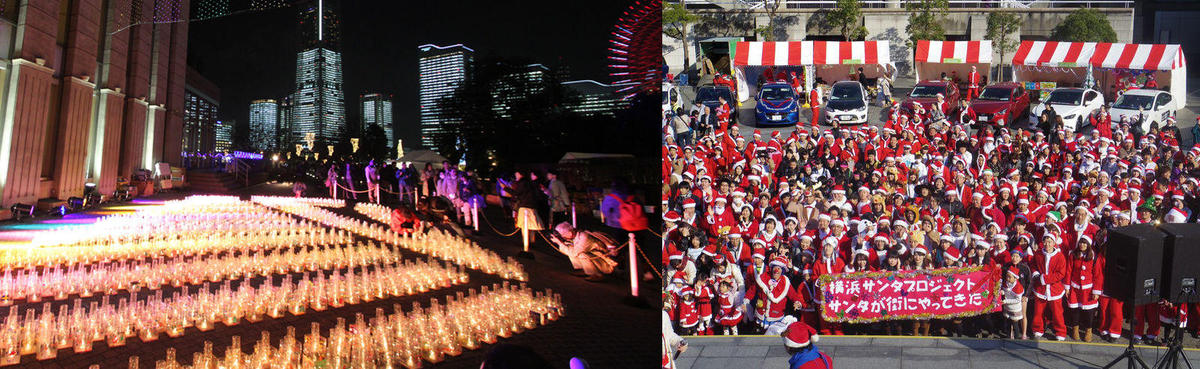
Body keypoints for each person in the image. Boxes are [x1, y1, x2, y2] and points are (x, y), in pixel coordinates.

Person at [548, 222, 617, 282]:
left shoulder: (584, 238)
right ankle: (584, 270)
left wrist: (559, 243)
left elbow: (574, 253)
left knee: (580, 254)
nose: (562, 237)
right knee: (569, 247)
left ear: (569, 233)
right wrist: (562, 243)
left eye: (563, 235)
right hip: (597, 258)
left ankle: (597, 275)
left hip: (607, 264)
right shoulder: (578, 235)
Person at [510, 170, 543, 247]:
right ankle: (531, 240)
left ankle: (526, 241)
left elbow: (517, 193)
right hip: (532, 206)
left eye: (517, 174)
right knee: (531, 224)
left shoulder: (524, 183)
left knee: (524, 225)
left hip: (525, 206)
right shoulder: (531, 184)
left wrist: (505, 188)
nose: (516, 176)